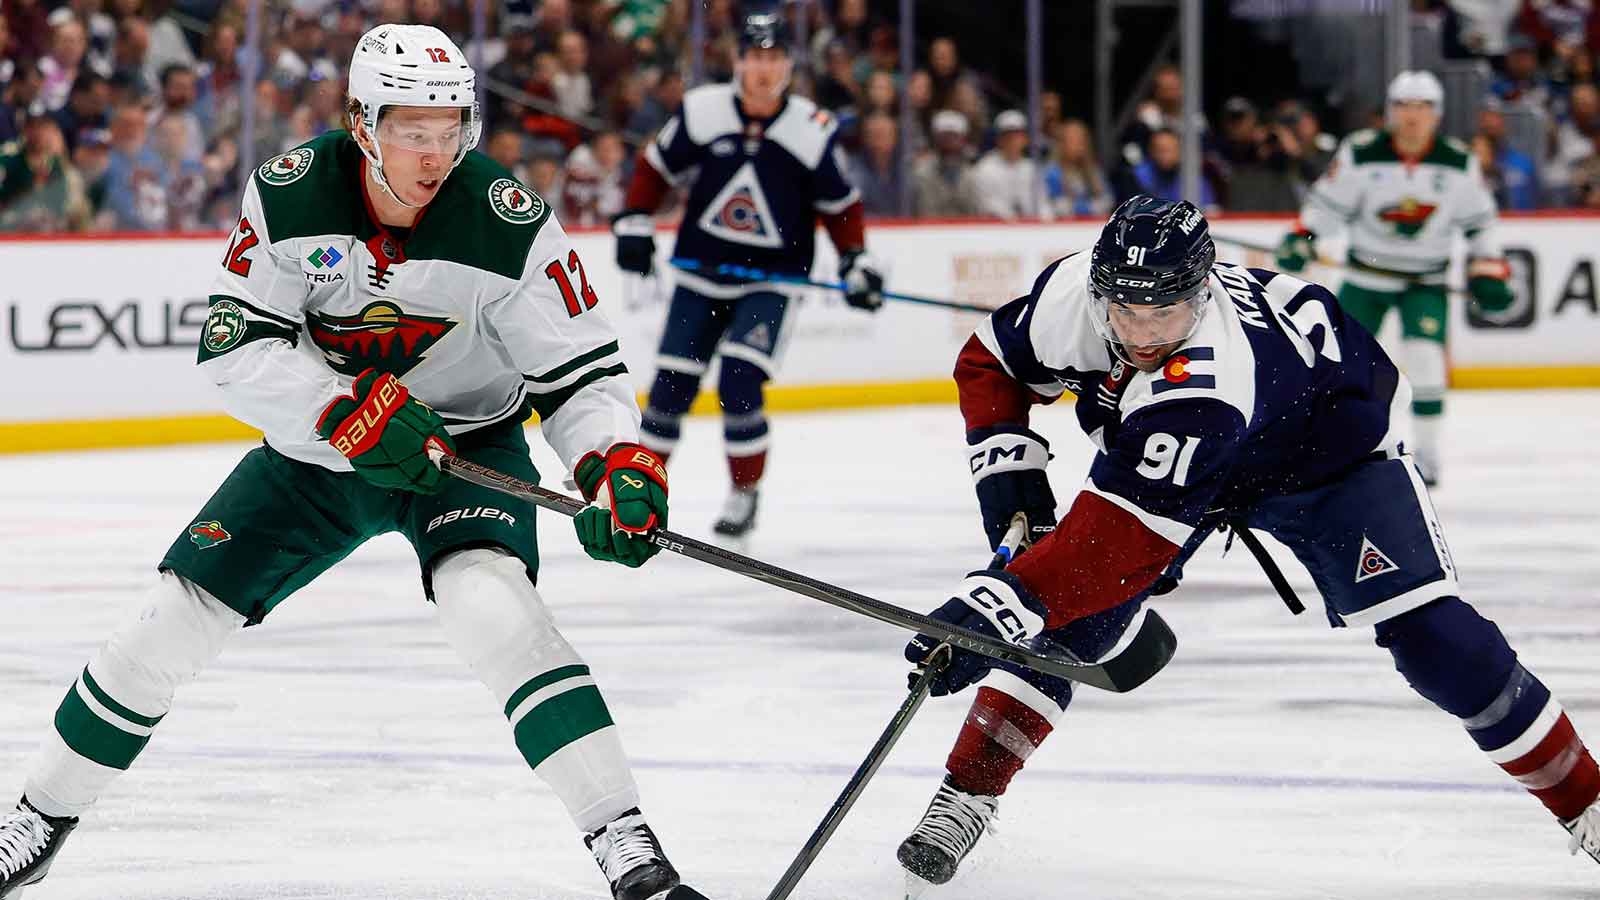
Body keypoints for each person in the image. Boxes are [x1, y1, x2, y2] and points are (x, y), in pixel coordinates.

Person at [0, 24, 710, 900]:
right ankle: (38, 814)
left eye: (453, 127)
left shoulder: (505, 221)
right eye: (414, 129)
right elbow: (235, 347)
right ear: (362, 124)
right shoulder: (291, 195)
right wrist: (339, 414)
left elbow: (580, 373)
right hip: (324, 449)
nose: (437, 152)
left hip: (463, 450)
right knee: (173, 616)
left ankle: (624, 839)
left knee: (493, 606)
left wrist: (611, 463)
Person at [894, 196, 1600, 892]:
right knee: (1073, 618)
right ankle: (966, 794)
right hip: (1194, 448)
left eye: (1163, 313)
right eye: (1125, 311)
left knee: (1437, 643)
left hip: (1330, 453)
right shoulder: (1074, 293)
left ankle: (1588, 803)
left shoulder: (1208, 379)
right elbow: (992, 362)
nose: (1141, 335)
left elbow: (1116, 547)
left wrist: (1003, 604)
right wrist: (1012, 490)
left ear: (1201, 296)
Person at [611, 7, 884, 538]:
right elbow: (655, 166)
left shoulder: (811, 128)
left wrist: (856, 258)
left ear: (789, 65)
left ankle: (744, 493)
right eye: (754, 56)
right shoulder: (701, 111)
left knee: (740, 380)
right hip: (699, 271)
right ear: (736, 61)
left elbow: (839, 203)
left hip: (772, 281)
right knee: (670, 387)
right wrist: (633, 221)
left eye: (775, 57)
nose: (764, 69)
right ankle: (638, 493)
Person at [1275, 71, 1513, 486]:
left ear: (1436, 115)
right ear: (1390, 111)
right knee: (1342, 367)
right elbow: (1327, 207)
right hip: (1367, 278)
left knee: (1425, 362)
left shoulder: (1458, 162)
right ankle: (1338, 448)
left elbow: (1481, 226)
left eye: (1422, 107)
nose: (1412, 116)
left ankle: (1430, 455)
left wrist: (1487, 269)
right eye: (1403, 106)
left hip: (1425, 282)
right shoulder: (1361, 153)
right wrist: (1304, 237)